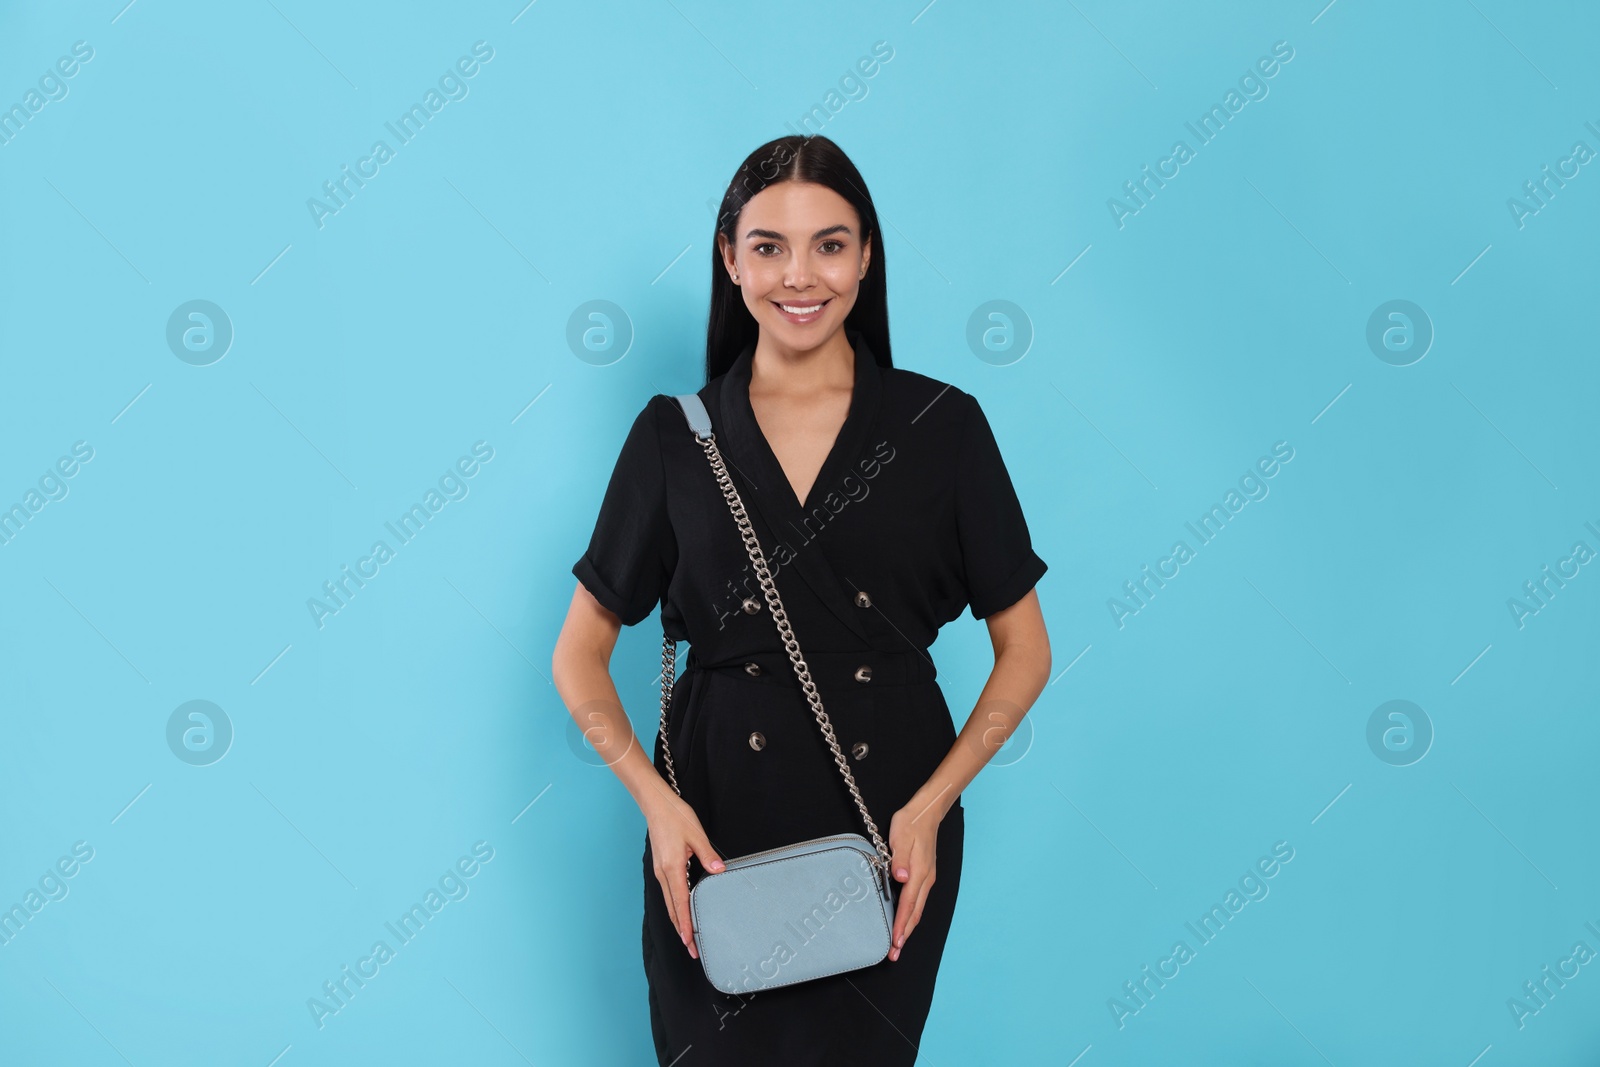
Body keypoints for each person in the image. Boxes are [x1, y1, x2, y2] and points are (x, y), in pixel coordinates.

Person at [551, 134, 1052, 1066]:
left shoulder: (944, 427)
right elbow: (576, 656)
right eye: (769, 245)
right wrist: (656, 806)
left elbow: (1027, 649)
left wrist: (930, 807)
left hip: (887, 834)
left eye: (830, 243)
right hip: (712, 835)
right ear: (730, 258)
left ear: (867, 257)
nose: (800, 275)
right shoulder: (673, 437)